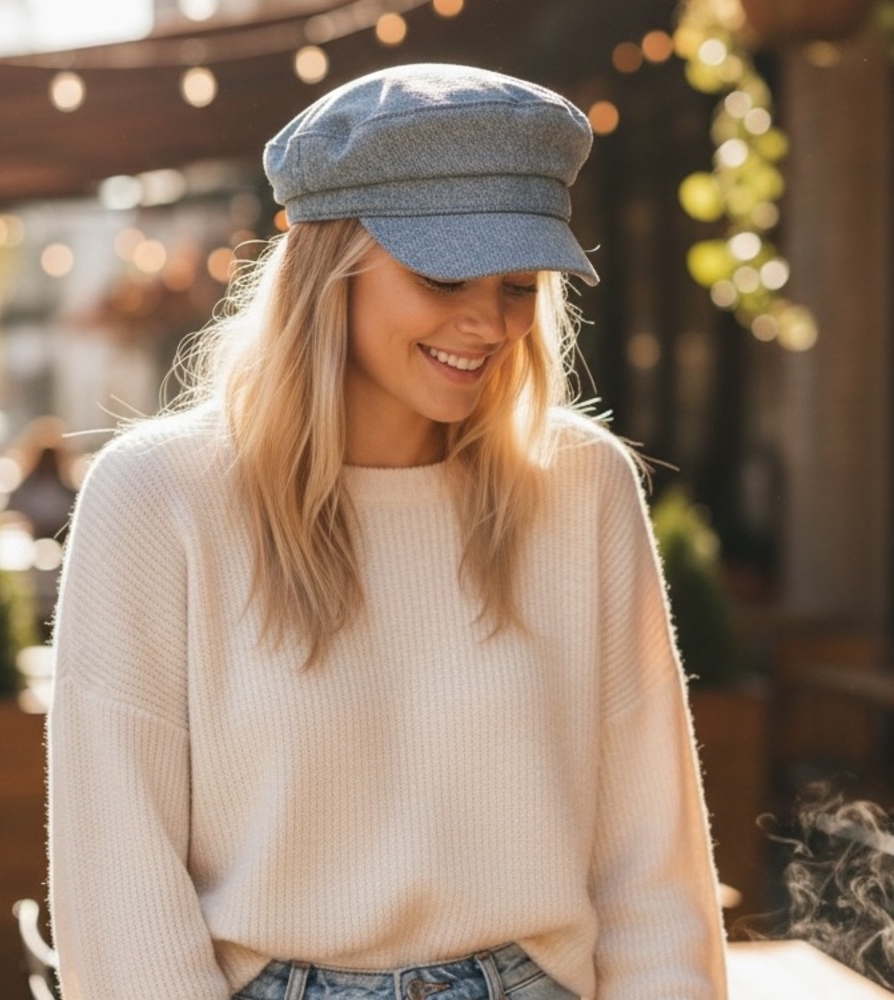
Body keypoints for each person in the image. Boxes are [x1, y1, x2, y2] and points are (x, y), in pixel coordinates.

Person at [48, 63, 728, 1000]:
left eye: (521, 283)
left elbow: (651, 871)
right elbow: (118, 884)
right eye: (445, 271)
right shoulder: (158, 498)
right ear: (330, 262)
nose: (489, 322)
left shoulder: (583, 487)